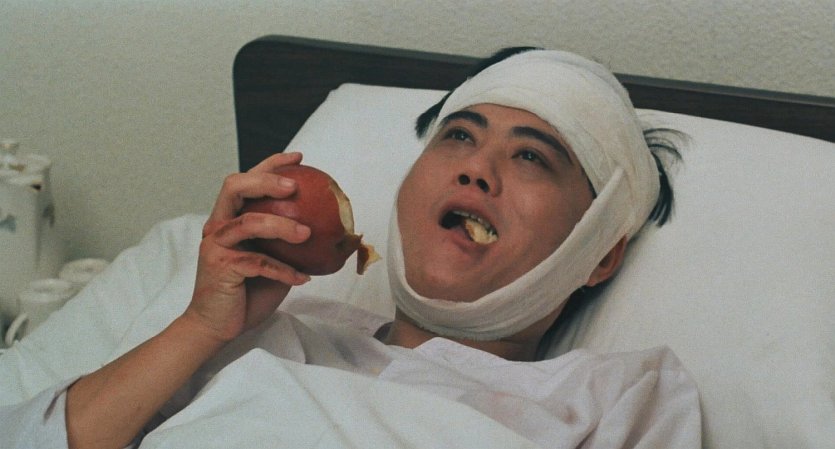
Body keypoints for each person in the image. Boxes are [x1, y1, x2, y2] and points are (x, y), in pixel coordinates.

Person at [0, 47, 699, 448]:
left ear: (600, 254)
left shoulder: (615, 397)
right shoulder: (254, 332)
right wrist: (199, 328)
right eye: (458, 135)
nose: (475, 168)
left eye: (531, 157)